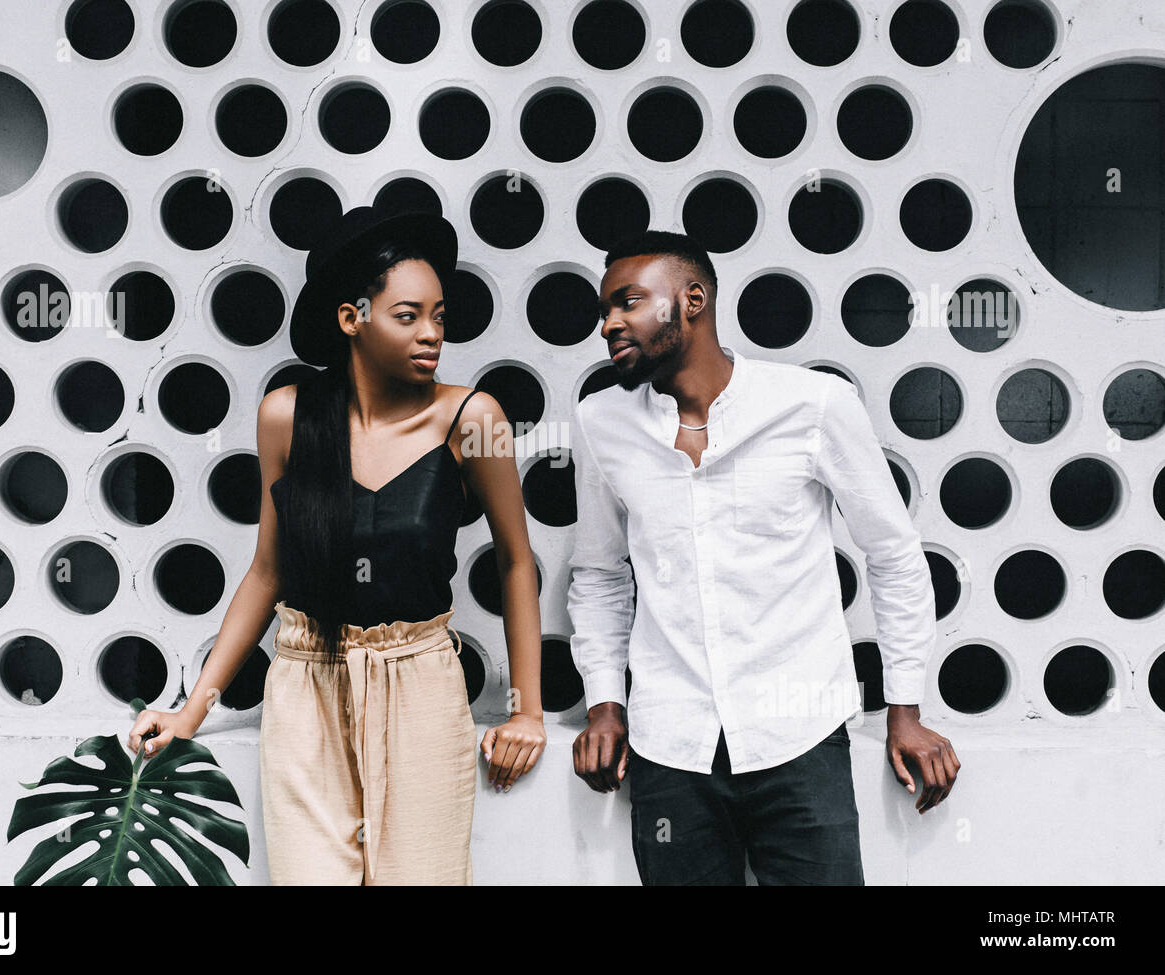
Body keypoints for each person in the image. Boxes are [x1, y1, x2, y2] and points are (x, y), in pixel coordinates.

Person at [127, 206, 546, 885]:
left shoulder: (472, 417)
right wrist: (193, 705)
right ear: (353, 319)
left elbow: (516, 560)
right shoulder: (285, 415)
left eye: (440, 316)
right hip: (304, 682)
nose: (432, 334)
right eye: (408, 315)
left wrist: (527, 709)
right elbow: (267, 570)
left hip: (421, 680)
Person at [567, 229, 961, 885]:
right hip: (670, 748)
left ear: (692, 300)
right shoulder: (600, 422)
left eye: (628, 303)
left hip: (800, 739)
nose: (609, 323)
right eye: (605, 309)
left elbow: (892, 553)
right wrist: (605, 704)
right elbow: (599, 575)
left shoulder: (813, 406)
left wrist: (906, 709)